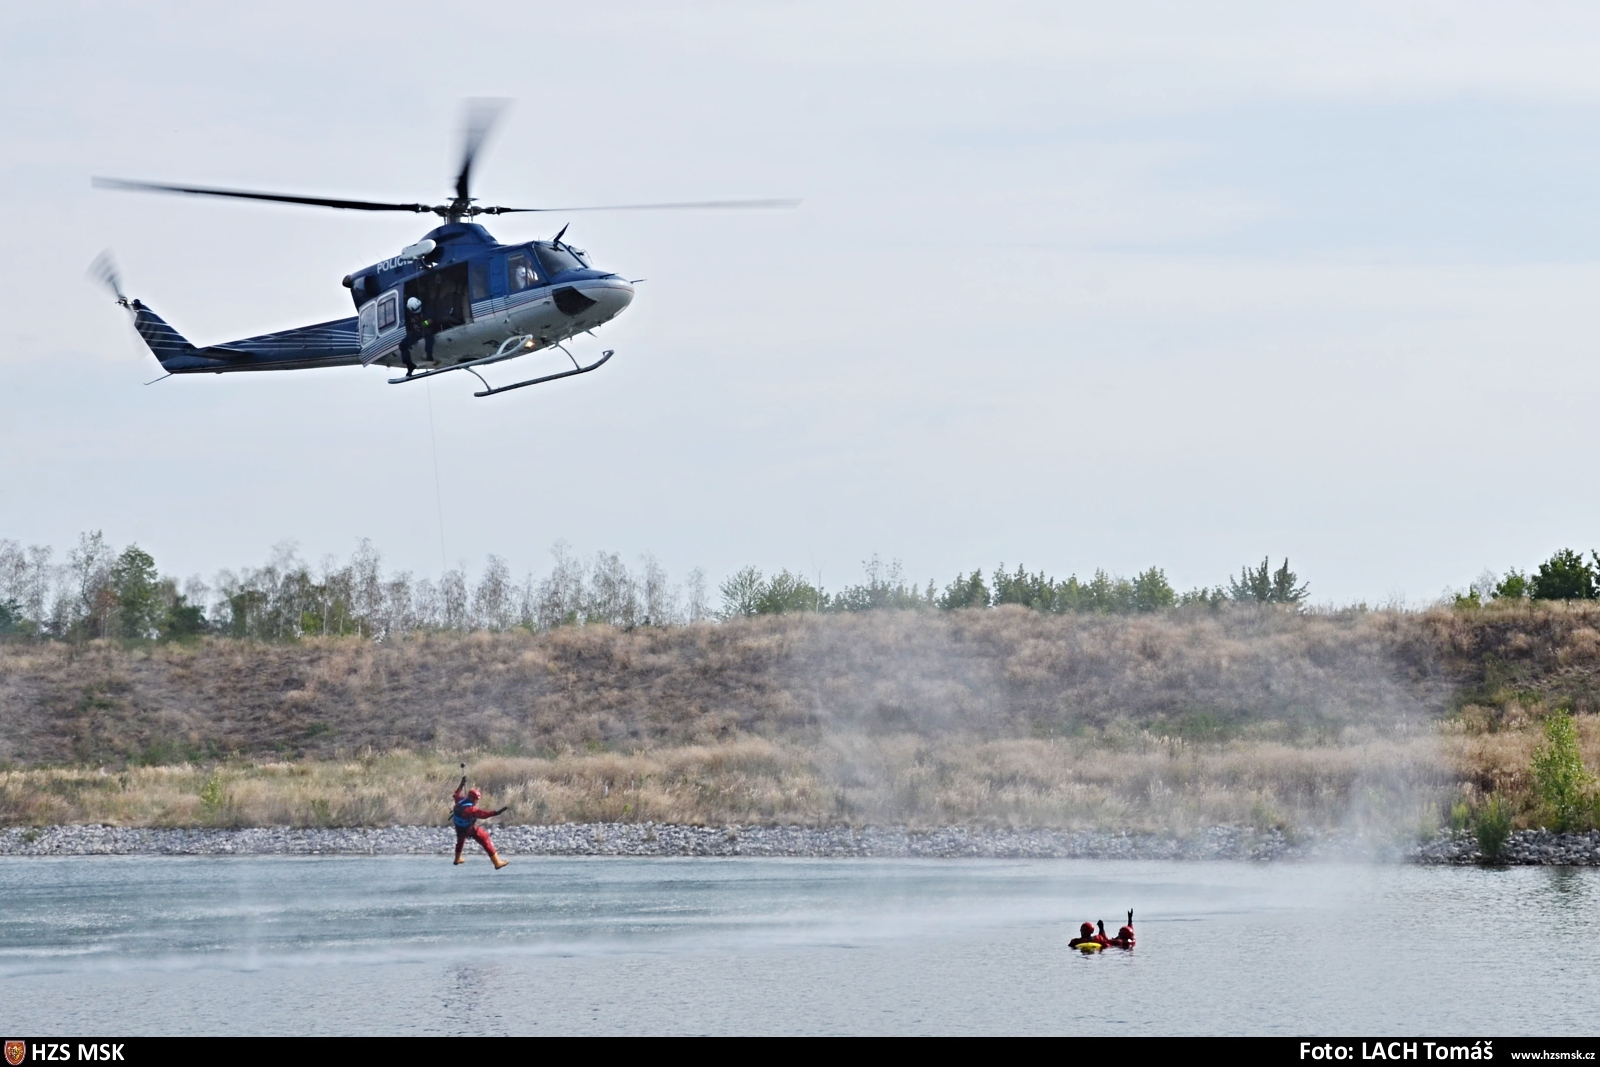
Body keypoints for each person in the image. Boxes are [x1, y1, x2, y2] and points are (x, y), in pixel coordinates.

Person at [452, 765, 510, 869]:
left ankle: (457, 859)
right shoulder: (471, 810)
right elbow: (484, 814)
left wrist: (461, 784)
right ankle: (497, 863)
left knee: (460, 840)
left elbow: (455, 794)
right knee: (485, 839)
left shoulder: (460, 800)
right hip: (468, 829)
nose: (477, 801)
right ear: (474, 799)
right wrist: (496, 812)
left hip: (458, 827)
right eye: (477, 800)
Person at [399, 296, 436, 376]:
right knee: (402, 345)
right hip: (416, 332)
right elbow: (409, 325)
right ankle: (409, 365)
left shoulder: (426, 308)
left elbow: (431, 320)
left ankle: (429, 354)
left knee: (429, 335)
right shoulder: (409, 314)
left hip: (427, 329)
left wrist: (423, 324)